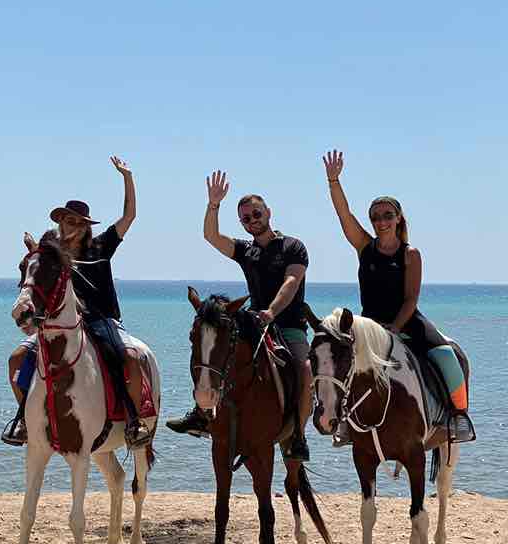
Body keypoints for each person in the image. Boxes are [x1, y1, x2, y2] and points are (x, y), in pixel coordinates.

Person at [321, 149, 475, 443]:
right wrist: (333, 181)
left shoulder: (410, 254)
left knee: (446, 356)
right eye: (376, 217)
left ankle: (458, 418)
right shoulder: (364, 248)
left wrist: (394, 328)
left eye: (387, 215)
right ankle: (343, 424)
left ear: (399, 218)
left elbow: (411, 299)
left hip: (406, 321)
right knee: (336, 360)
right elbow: (344, 214)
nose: (381, 221)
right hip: (369, 325)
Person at [2, 156, 152, 449]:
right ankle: (23, 417)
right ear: (59, 223)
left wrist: (127, 178)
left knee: (130, 358)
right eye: (65, 220)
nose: (70, 226)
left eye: (76, 222)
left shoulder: (101, 246)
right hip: (64, 324)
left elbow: (129, 216)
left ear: (85, 226)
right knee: (18, 359)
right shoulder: (52, 255)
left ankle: (134, 420)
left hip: (102, 319)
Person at [166, 170, 312, 463]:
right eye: (245, 218)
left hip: (288, 323)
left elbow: (291, 283)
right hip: (255, 320)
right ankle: (201, 414)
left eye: (256, 213)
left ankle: (297, 434)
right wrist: (213, 205)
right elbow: (211, 236)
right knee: (214, 350)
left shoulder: (293, 246)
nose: (252, 220)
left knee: (304, 369)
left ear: (268, 212)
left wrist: (271, 312)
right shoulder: (246, 250)